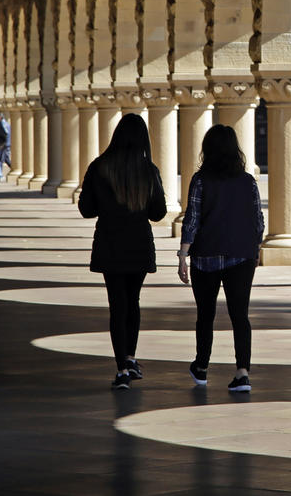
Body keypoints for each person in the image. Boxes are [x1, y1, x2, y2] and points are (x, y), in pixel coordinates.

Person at [78, 114, 167, 390]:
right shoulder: (148, 170)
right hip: (139, 244)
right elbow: (159, 212)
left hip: (110, 243)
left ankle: (121, 368)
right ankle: (130, 357)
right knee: (133, 301)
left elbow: (86, 209)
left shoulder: (99, 166)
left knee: (117, 304)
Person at [177, 124, 264, 393]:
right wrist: (252, 248)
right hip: (241, 256)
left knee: (206, 315)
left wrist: (183, 255)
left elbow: (192, 219)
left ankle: (202, 367)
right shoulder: (248, 181)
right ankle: (242, 372)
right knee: (241, 316)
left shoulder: (201, 180)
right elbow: (258, 221)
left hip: (206, 256)